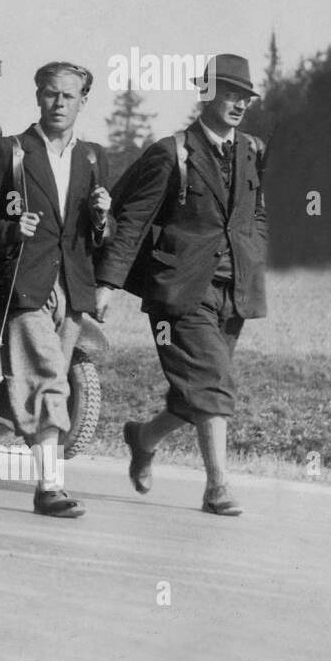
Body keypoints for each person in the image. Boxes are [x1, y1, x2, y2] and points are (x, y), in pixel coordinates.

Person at [96, 54, 267, 517]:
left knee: (196, 394)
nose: (238, 104)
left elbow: (256, 212)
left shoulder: (252, 149)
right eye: (229, 93)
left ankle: (143, 436)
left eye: (244, 97)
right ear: (206, 93)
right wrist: (107, 284)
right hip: (179, 290)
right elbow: (131, 221)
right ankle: (218, 488)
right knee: (213, 381)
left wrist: (254, 253)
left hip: (234, 288)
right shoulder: (171, 152)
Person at [0, 61, 113, 518]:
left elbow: (98, 236)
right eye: (50, 94)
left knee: (25, 383)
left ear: (83, 102)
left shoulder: (92, 158)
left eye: (68, 96)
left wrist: (102, 218)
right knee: (51, 379)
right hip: (23, 285)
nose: (58, 103)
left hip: (72, 289)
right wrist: (11, 230)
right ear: (37, 96)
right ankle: (49, 487)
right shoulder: (8, 151)